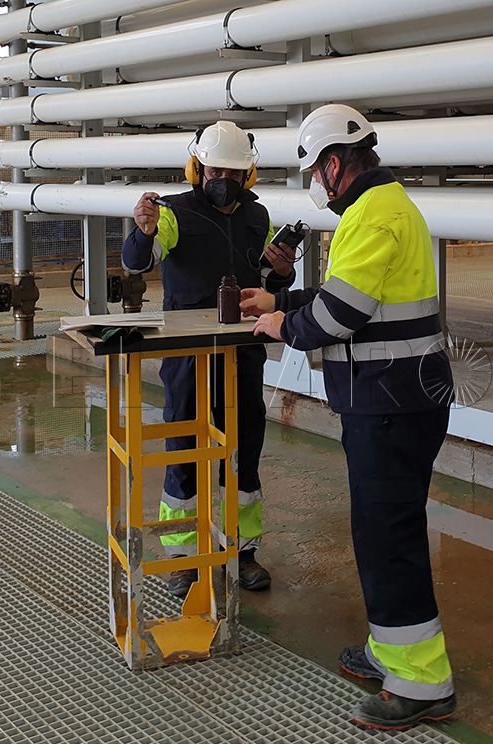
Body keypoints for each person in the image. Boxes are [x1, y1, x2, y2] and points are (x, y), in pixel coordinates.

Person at [239, 104, 457, 731]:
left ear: (334, 164)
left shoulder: (372, 216)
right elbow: (355, 297)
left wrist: (283, 323)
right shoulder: (383, 209)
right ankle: (389, 649)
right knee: (381, 532)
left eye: (314, 172)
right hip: (395, 399)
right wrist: (280, 298)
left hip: (390, 404)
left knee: (389, 539)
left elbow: (339, 317)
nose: (315, 185)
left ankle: (422, 683)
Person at [121, 120, 296, 598]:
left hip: (242, 350)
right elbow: (140, 260)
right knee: (184, 449)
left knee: (243, 449)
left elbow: (265, 280)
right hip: (187, 353)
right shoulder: (174, 213)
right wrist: (142, 231)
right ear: (197, 167)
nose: (224, 179)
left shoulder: (258, 218)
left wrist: (281, 272)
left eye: (234, 173)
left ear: (248, 175)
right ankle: (184, 558)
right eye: (215, 170)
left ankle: (242, 549)